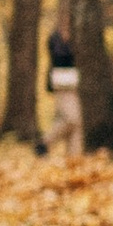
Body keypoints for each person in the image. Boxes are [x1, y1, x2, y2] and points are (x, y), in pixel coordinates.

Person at [44, 26, 83, 160]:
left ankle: (74, 158)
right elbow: (59, 57)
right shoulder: (56, 37)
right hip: (62, 83)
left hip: (76, 83)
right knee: (71, 119)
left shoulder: (78, 34)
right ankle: (45, 143)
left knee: (77, 122)